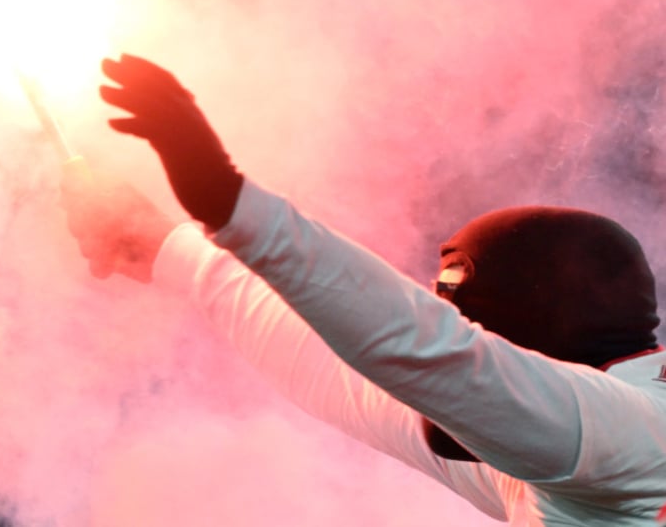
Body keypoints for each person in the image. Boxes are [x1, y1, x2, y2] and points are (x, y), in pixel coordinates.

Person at [62, 54, 666, 525]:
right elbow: (349, 374)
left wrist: (231, 203)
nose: (450, 332)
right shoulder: (562, 463)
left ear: (536, 337)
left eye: (467, 320)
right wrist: (166, 249)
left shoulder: (632, 437)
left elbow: (428, 355)